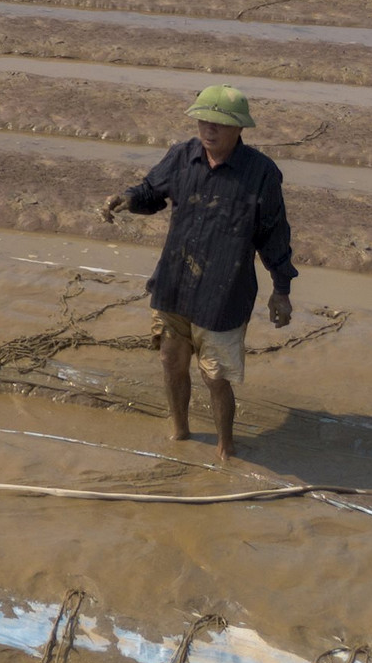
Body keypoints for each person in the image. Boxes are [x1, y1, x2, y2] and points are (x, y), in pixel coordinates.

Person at [99, 85, 296, 459]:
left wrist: (281, 289)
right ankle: (179, 433)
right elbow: (150, 192)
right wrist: (127, 198)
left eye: (219, 123)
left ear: (239, 129)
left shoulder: (262, 174)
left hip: (223, 295)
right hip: (174, 285)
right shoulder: (181, 156)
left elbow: (274, 234)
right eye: (204, 120)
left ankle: (226, 448)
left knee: (216, 377)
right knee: (171, 363)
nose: (209, 129)